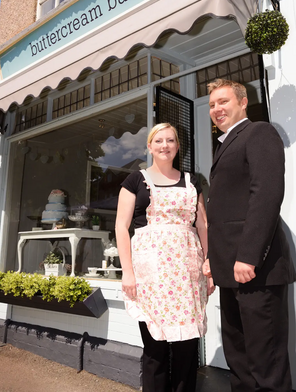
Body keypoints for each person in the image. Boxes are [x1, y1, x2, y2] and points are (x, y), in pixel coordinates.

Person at [203, 78, 296, 392]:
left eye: (223, 101)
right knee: (239, 360)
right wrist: (213, 262)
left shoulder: (258, 132)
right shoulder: (224, 144)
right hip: (230, 271)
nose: (217, 109)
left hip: (256, 269)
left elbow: (266, 194)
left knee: (265, 362)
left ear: (243, 102)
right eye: (213, 104)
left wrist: (248, 256)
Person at [116, 122, 215, 392]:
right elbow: (121, 227)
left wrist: (208, 263)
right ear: (149, 146)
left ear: (177, 146)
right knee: (155, 349)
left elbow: (203, 225)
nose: (165, 146)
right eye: (159, 141)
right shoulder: (135, 180)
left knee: (186, 348)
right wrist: (127, 271)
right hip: (151, 276)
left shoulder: (192, 181)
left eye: (170, 140)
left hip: (187, 273)